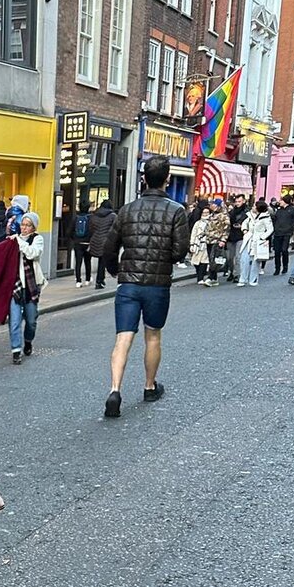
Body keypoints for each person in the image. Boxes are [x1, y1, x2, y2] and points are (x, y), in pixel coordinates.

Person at [100, 155, 189, 418]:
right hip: (157, 284)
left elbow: (109, 247)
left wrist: (116, 270)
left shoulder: (127, 210)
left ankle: (114, 389)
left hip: (128, 283)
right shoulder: (176, 211)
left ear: (143, 178)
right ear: (167, 179)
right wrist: (165, 258)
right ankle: (149, 386)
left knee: (123, 338)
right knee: (153, 335)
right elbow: (180, 249)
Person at [9, 213, 45, 364]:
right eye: (22, 224)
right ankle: (16, 350)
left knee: (31, 321)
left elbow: (32, 253)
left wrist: (18, 241)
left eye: (28, 225)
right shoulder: (13, 240)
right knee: (15, 320)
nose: (24, 228)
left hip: (31, 286)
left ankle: (28, 340)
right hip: (15, 286)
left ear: (34, 227)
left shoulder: (38, 239)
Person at [237, 200, 273, 287]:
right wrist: (245, 230)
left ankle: (253, 279)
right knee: (244, 259)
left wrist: (262, 237)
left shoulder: (266, 218)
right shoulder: (249, 215)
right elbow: (244, 223)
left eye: (254, 206)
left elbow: (270, 229)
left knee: (255, 261)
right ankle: (242, 279)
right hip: (249, 239)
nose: (252, 207)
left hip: (258, 240)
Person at [88, 199, 116, 289]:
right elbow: (115, 230)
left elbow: (91, 228)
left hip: (94, 240)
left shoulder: (94, 215)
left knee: (98, 260)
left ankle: (89, 279)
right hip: (106, 241)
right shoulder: (113, 216)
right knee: (102, 262)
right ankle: (99, 281)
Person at [203, 197, 230, 286]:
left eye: (214, 204)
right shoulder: (212, 215)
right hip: (209, 240)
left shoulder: (224, 215)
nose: (212, 205)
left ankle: (211, 277)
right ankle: (214, 278)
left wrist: (223, 240)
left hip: (217, 240)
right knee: (211, 259)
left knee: (214, 259)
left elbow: (226, 228)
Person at [224, 194, 248, 281]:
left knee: (238, 257)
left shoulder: (247, 212)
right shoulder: (232, 212)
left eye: (239, 201)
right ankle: (231, 272)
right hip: (231, 236)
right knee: (230, 258)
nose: (237, 203)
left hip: (241, 236)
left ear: (244, 201)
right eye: (236, 202)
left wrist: (242, 226)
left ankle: (237, 274)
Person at [271, 194, 294, 276]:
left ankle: (285, 266)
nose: (279, 202)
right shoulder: (279, 210)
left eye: (281, 200)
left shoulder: (292, 210)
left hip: (287, 233)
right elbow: (275, 219)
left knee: (284, 250)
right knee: (277, 251)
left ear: (285, 201)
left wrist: (292, 231)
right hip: (278, 233)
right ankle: (277, 268)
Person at [72, 201, 93, 287]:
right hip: (87, 242)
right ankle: (87, 279)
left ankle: (78, 281)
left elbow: (69, 231)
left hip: (78, 243)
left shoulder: (76, 218)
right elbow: (93, 230)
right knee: (87, 261)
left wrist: (74, 239)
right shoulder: (91, 218)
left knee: (78, 262)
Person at [188, 206, 211, 284]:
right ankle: (199, 274)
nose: (205, 214)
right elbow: (193, 234)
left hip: (207, 244)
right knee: (195, 262)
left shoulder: (211, 222)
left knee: (204, 261)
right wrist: (191, 244)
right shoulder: (198, 223)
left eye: (207, 212)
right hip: (197, 244)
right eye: (204, 212)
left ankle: (200, 278)